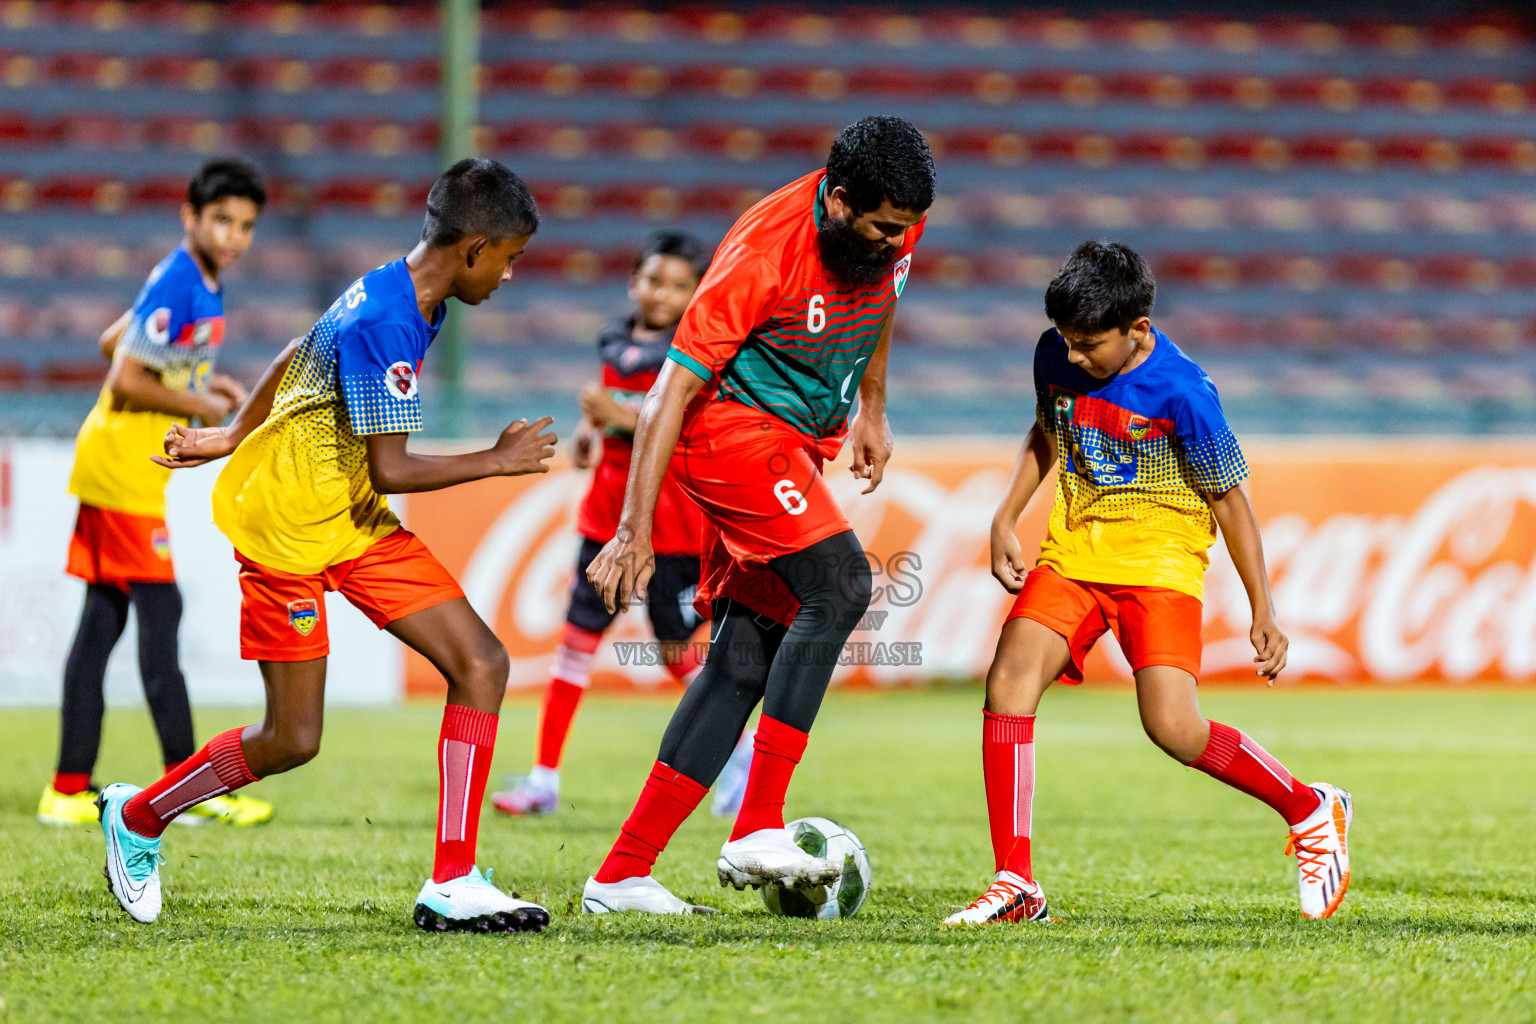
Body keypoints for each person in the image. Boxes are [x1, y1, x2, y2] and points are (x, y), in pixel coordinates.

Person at [92, 158, 559, 934]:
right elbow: (394, 465)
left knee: (482, 662)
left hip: (349, 517)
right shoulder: (390, 317)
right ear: (475, 248)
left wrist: (230, 432)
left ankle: (453, 878)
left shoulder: (400, 292)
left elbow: (292, 354)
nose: (509, 276)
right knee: (292, 739)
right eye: (509, 259)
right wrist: (496, 460)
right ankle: (138, 818)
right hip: (286, 530)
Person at [578, 115, 934, 915]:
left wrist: (871, 408)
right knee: (840, 584)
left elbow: (884, 300)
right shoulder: (763, 250)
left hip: (795, 442)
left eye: (907, 229)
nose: (896, 242)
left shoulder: (894, 222)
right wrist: (634, 530)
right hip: (730, 432)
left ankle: (621, 875)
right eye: (882, 228)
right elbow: (669, 392)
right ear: (839, 202)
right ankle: (757, 821)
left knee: (744, 655)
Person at [944, 241, 1352, 926]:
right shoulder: (1057, 353)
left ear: (1138, 330)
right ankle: (1016, 882)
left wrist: (1263, 609)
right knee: (1009, 680)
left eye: (1089, 345)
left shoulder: (1185, 391)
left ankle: (1311, 808)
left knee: (1171, 726)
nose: (1073, 357)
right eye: (1067, 342)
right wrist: (1005, 516)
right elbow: (1049, 429)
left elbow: (1230, 500)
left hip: (1159, 563)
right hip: (1074, 551)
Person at [39, 159, 273, 830]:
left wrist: (211, 381)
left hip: (120, 467)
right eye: (222, 221)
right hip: (122, 471)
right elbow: (124, 378)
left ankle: (66, 788)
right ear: (191, 218)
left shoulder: (191, 278)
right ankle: (193, 790)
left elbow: (119, 337)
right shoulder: (180, 279)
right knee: (160, 621)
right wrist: (201, 399)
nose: (232, 236)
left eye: (246, 226)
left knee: (101, 627)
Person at [492, 230, 754, 819]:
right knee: (575, 644)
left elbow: (690, 428)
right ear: (634, 281)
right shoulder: (613, 340)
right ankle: (544, 779)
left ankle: (742, 759)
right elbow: (612, 414)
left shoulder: (699, 349)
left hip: (674, 529)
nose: (662, 294)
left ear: (697, 294)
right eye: (653, 280)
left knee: (676, 652)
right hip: (607, 519)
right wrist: (591, 433)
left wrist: (622, 416)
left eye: (678, 285)